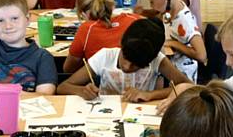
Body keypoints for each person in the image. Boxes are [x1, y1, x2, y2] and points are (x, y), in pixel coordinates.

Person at [58, 17, 190, 102]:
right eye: (125, 57)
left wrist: (150, 94)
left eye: (136, 65)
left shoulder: (157, 61)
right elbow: (62, 87)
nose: (127, 66)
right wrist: (82, 91)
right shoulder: (104, 57)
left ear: (150, 60)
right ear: (121, 43)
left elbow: (188, 87)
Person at [143, 0, 206, 83]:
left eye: (151, 1)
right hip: (171, 69)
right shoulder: (169, 10)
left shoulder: (184, 20)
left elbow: (202, 55)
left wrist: (174, 44)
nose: (151, 5)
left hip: (183, 79)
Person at [63, 0, 141, 73]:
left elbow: (68, 68)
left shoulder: (87, 29)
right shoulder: (134, 19)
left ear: (83, 13)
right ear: (111, 5)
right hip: (137, 79)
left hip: (100, 83)